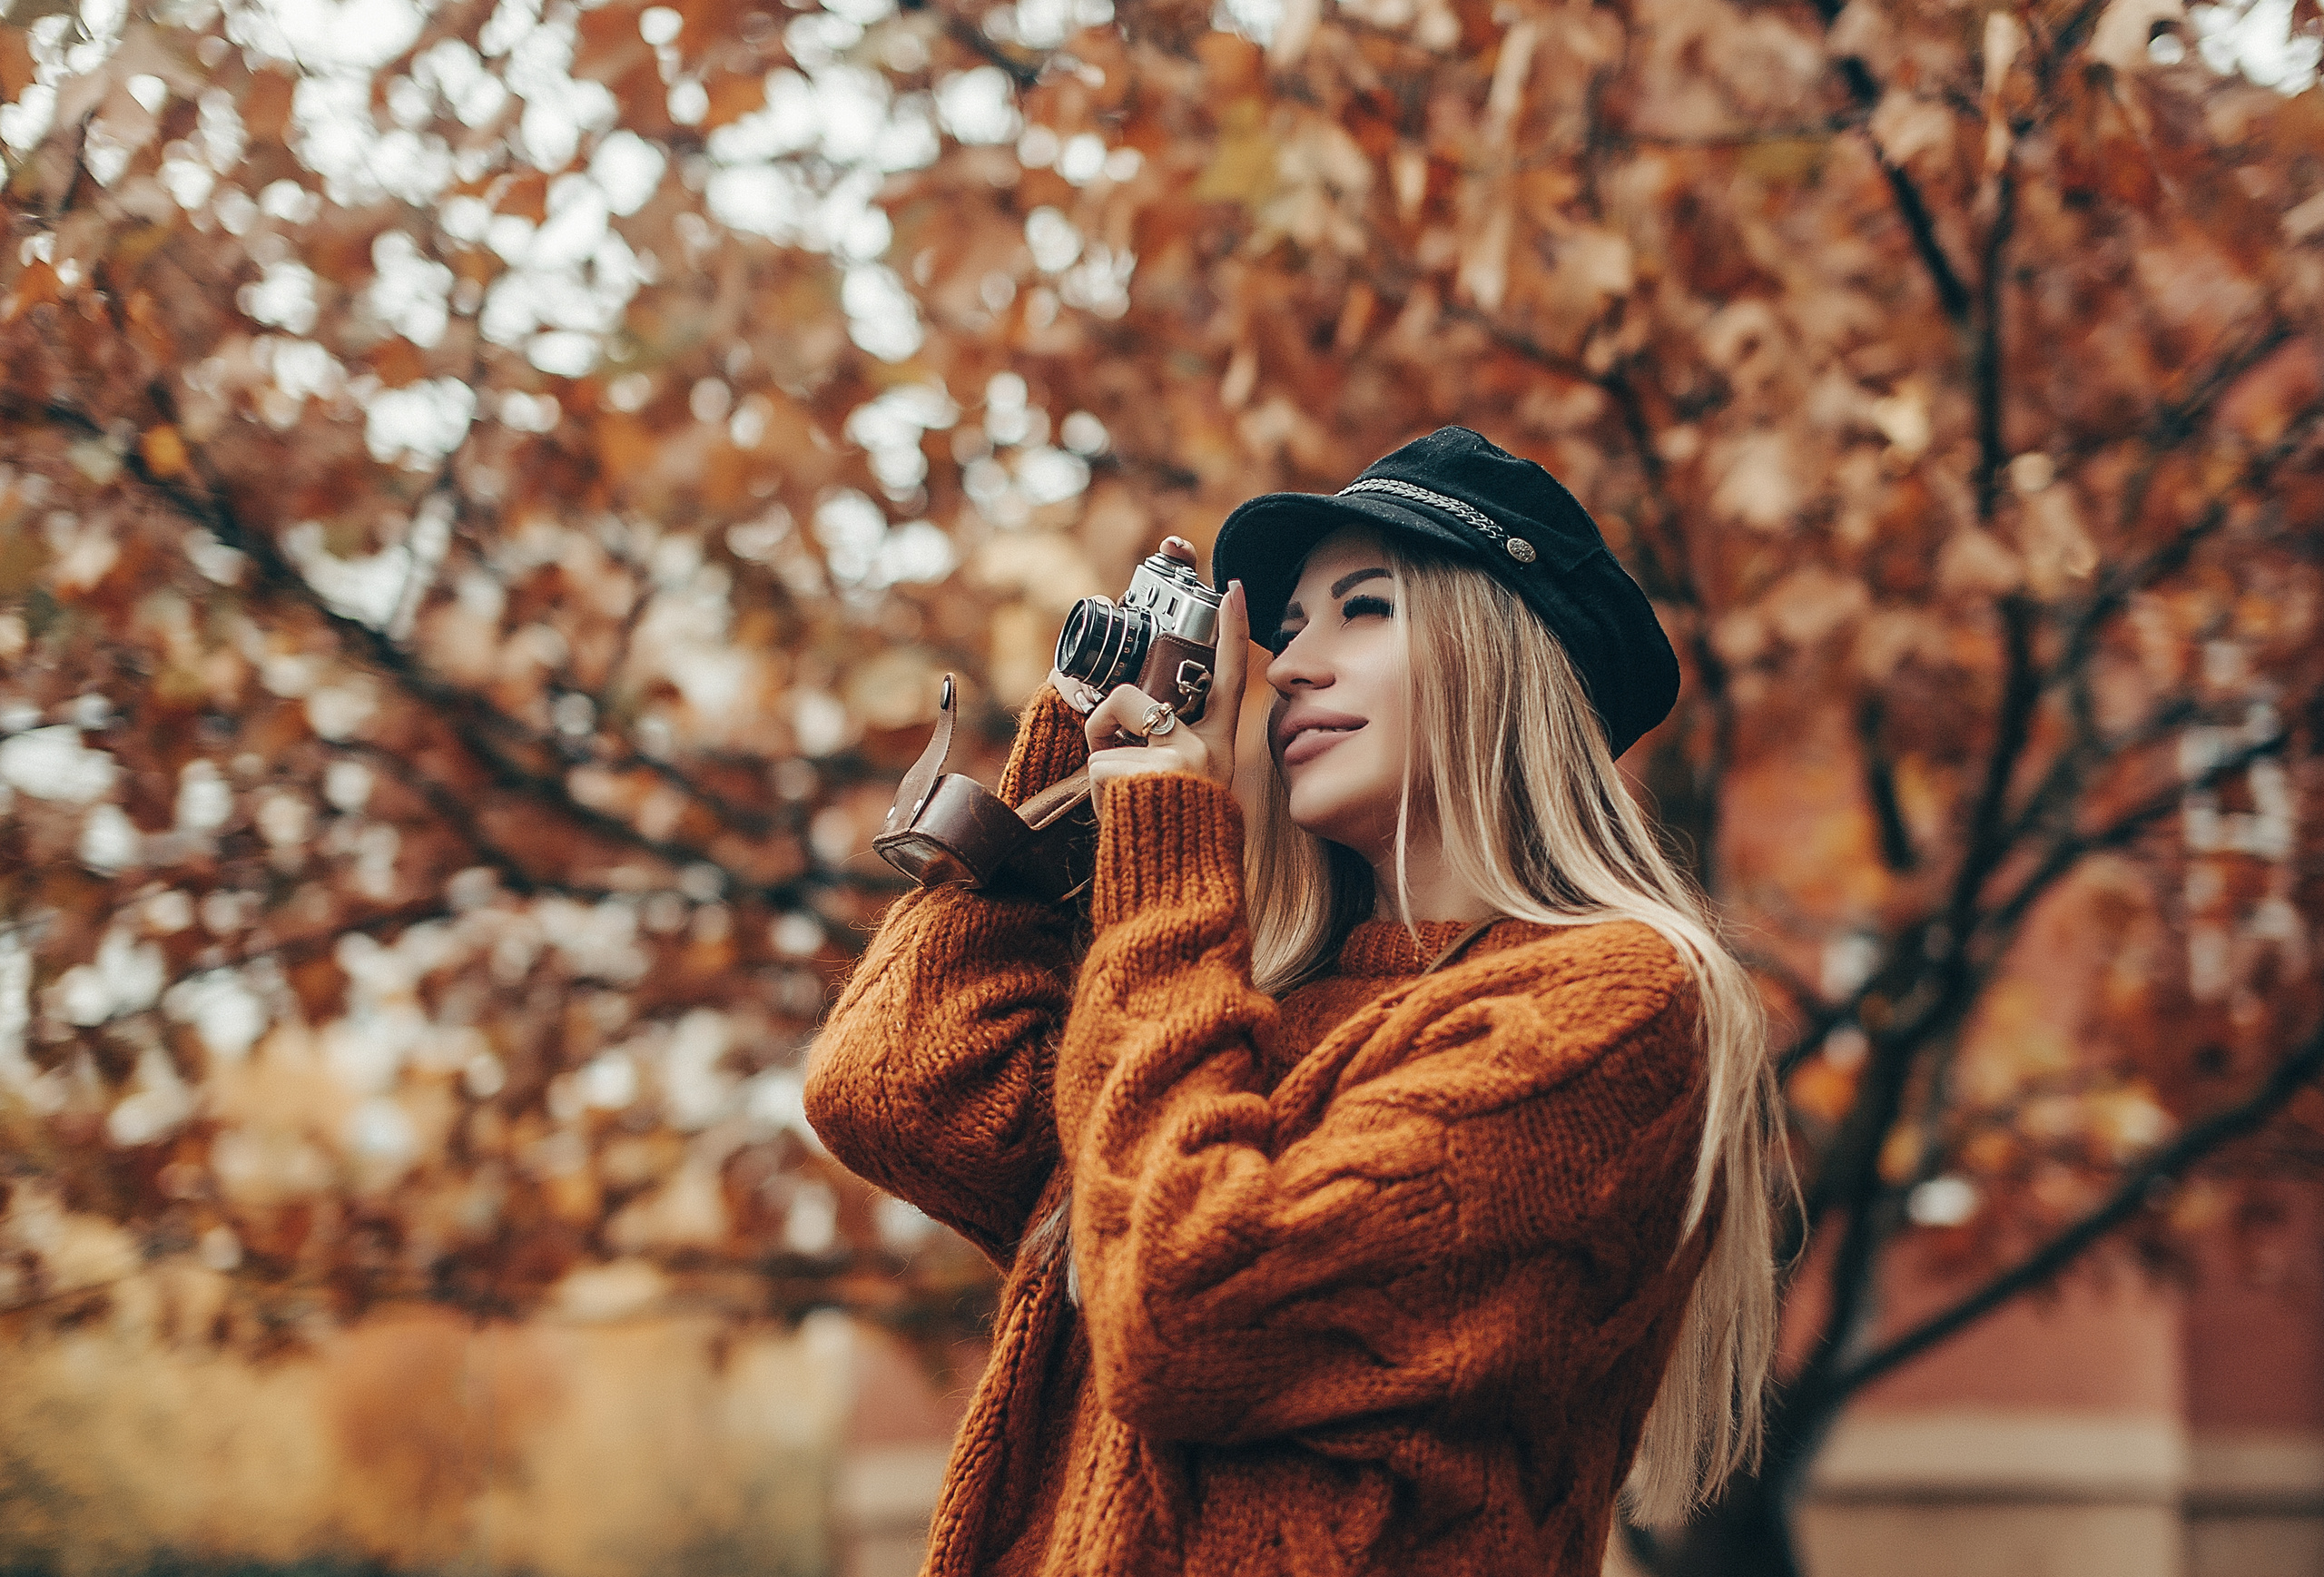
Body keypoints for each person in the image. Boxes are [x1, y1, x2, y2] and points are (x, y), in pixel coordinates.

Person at [803, 426, 1785, 1575]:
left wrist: (1167, 854)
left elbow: (1182, 1306)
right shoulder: (1237, 1015)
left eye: (1363, 611)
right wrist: (1078, 748)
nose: (1294, 668)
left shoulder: (1609, 1005)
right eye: (1289, 633)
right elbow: (893, 1084)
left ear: (1505, 658)